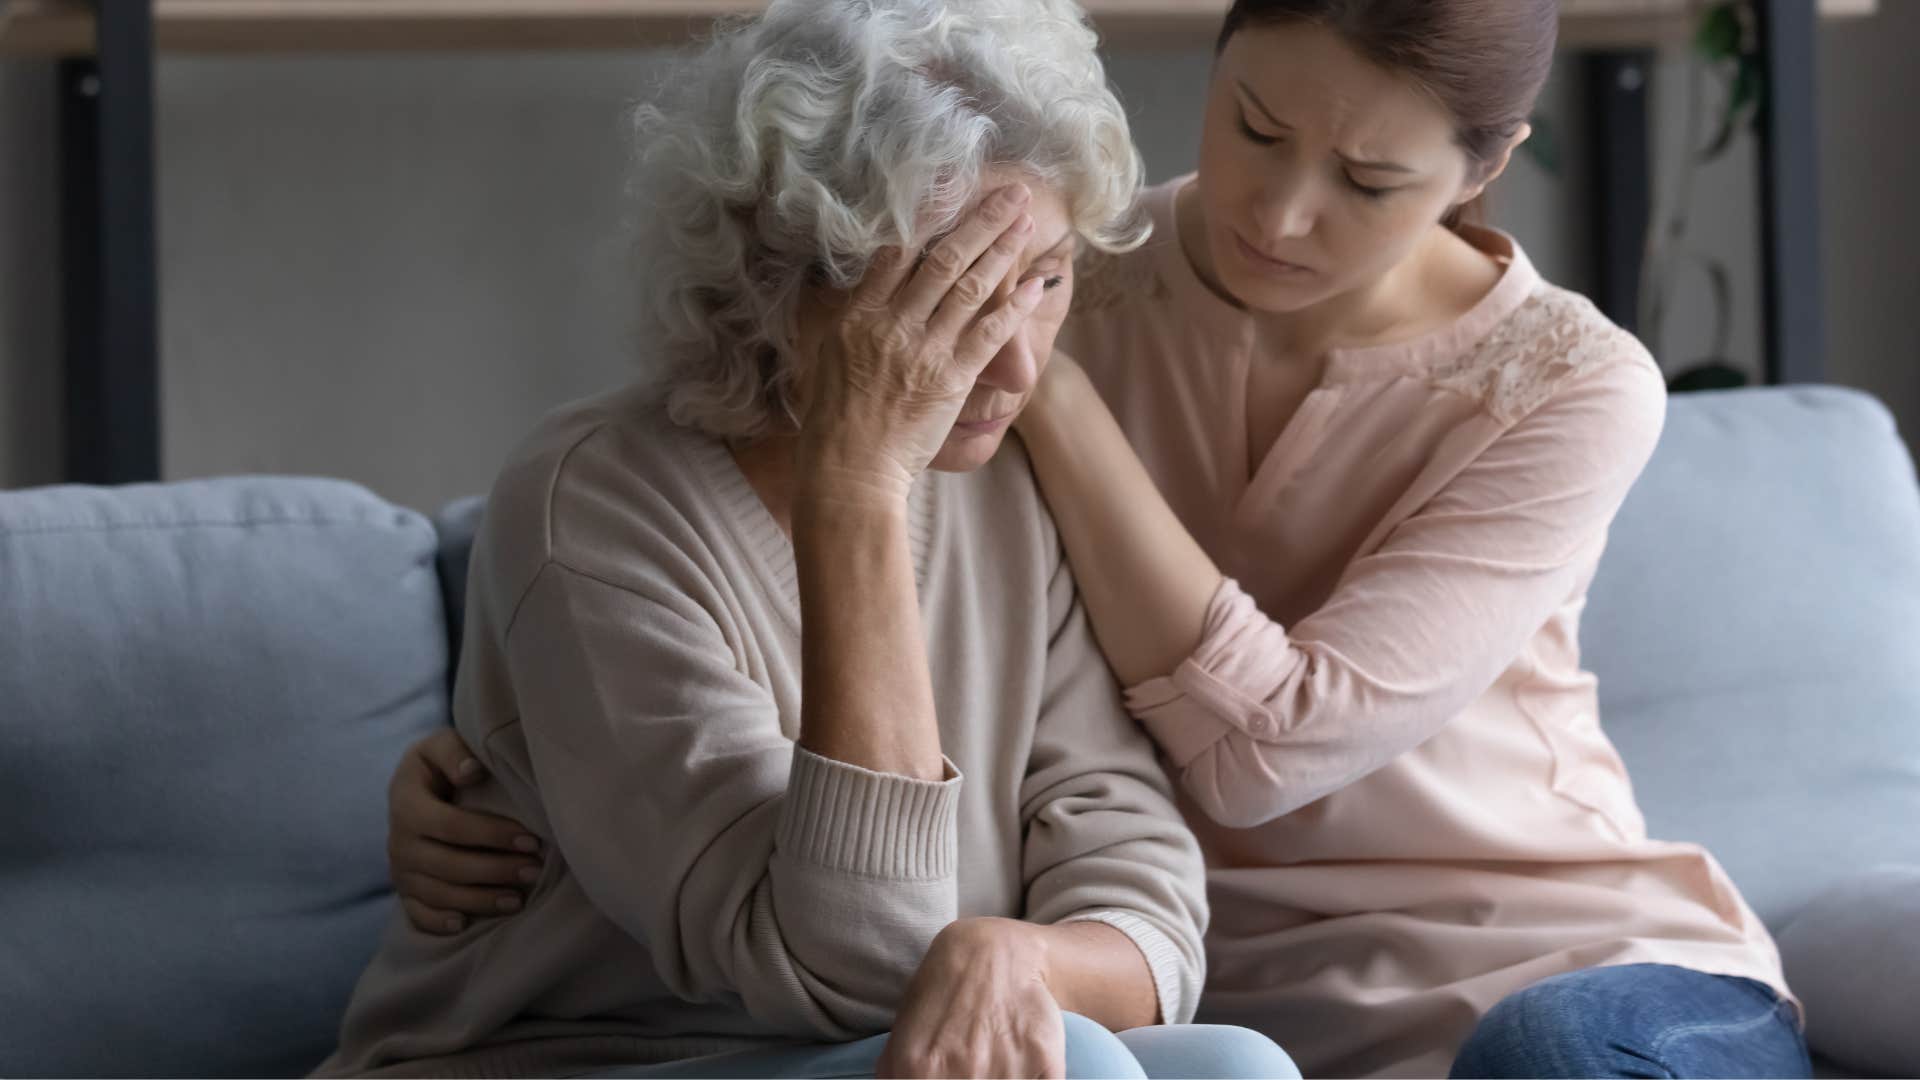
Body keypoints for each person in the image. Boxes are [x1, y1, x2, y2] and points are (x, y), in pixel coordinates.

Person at [387, 1, 1813, 1077]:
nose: (1280, 211)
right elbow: (637, 536)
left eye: (1370, 180)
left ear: (1485, 167)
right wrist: (498, 751)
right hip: (1162, 995)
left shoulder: (1564, 381)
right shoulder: (1053, 262)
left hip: (1535, 956)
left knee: (1548, 1058)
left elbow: (1250, 764)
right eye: (1254, 126)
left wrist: (1019, 384)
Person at [312, 1, 1306, 1077]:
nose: (1020, 369)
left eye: (1046, 278)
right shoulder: (587, 507)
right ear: (783, 280)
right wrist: (859, 488)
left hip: (883, 1050)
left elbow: (1145, 887)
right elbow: (857, 966)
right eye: (946, 298)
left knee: (1237, 1066)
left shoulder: (1011, 484)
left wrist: (1020, 961)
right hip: (588, 1055)